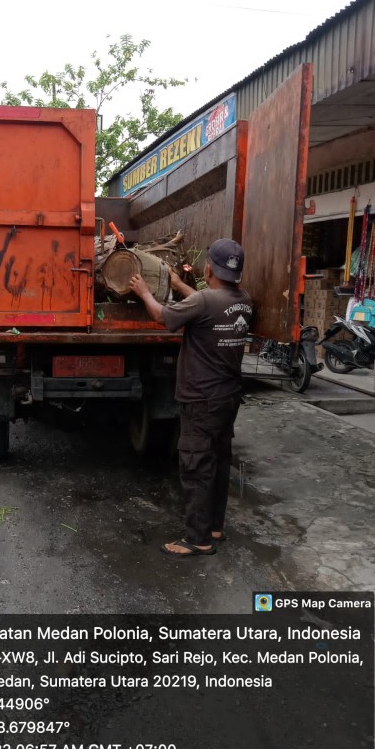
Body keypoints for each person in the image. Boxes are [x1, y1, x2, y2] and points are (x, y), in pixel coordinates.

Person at [129, 238, 252, 557]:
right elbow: (205, 301)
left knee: (196, 464)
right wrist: (180, 283)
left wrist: (143, 292)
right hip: (227, 397)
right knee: (219, 460)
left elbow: (163, 317)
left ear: (209, 268)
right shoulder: (243, 301)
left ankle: (198, 539)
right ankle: (214, 526)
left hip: (201, 399)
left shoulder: (207, 303)